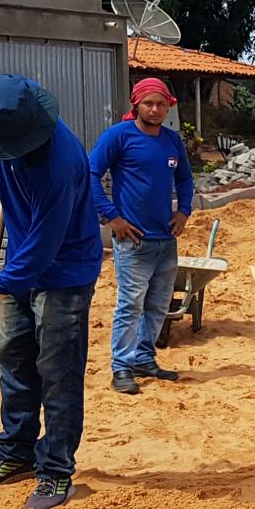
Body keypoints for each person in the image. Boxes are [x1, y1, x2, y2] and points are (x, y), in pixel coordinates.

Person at [0, 74, 104, 509]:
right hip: (23, 265)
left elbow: (45, 245)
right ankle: (17, 451)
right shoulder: (6, 137)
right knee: (14, 355)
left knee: (57, 371)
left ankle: (56, 470)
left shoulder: (59, 164)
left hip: (63, 272)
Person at [88, 77, 195, 395]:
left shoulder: (172, 142)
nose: (155, 109)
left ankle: (144, 359)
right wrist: (111, 217)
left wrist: (184, 211)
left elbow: (185, 179)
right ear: (135, 105)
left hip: (165, 239)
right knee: (130, 305)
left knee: (158, 305)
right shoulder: (119, 137)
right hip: (132, 239)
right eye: (149, 103)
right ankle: (121, 367)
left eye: (161, 104)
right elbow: (91, 174)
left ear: (169, 107)